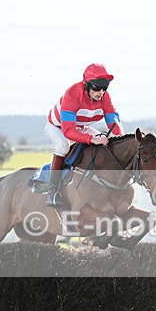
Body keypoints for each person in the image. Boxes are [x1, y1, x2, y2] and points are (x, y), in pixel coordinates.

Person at [43, 63, 124, 207]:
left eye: (105, 88)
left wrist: (120, 139)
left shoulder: (104, 97)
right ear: (86, 84)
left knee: (106, 145)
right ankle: (52, 191)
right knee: (63, 146)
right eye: (97, 88)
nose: (101, 92)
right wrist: (92, 139)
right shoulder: (72, 94)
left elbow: (114, 123)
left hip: (81, 127)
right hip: (58, 127)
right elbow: (68, 131)